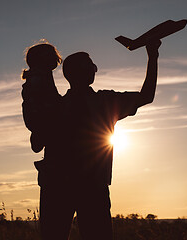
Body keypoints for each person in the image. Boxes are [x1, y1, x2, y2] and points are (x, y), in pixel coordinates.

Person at [38, 39, 161, 240]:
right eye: (90, 65)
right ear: (81, 72)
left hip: (58, 185)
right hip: (90, 187)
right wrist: (152, 56)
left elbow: (37, 139)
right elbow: (146, 96)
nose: (95, 68)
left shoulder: (56, 106)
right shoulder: (105, 102)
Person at [21, 41, 62, 153]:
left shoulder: (41, 77)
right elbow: (49, 104)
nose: (55, 59)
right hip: (48, 129)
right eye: (50, 55)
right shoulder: (38, 79)